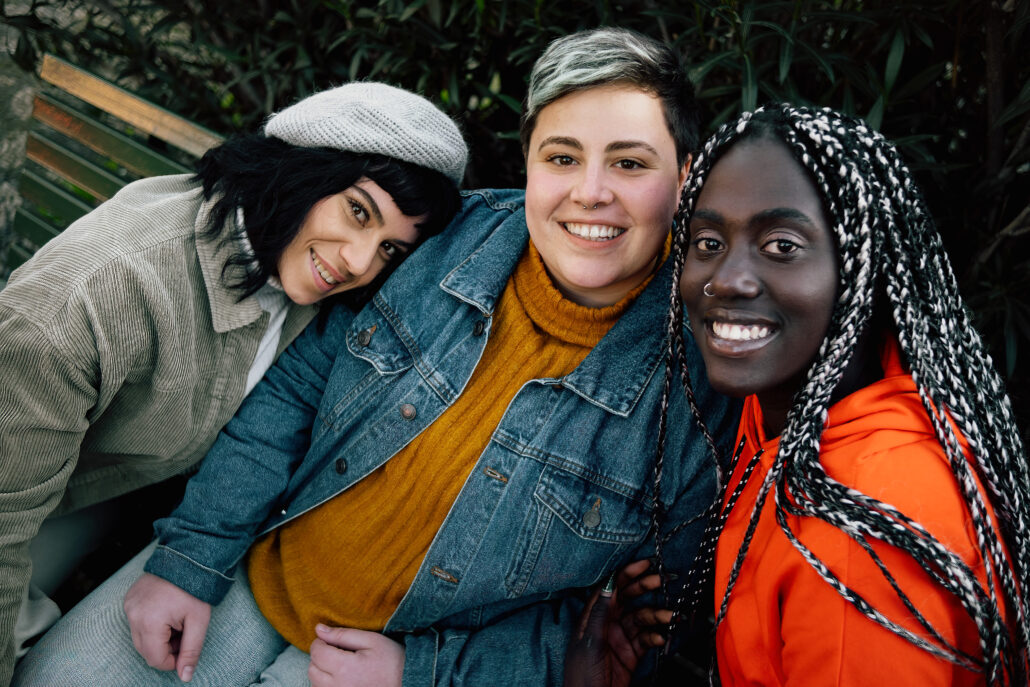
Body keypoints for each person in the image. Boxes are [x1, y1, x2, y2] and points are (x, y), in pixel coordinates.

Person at [12, 27, 738, 687]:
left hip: (388, 668)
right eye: (562, 156)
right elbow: (294, 395)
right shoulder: (445, 245)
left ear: (685, 178)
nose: (590, 192)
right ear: (530, 164)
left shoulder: (695, 393)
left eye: (630, 162)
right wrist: (190, 559)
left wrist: (430, 670)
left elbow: (623, 625)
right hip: (248, 569)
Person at [0, 81, 467, 686]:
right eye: (357, 210)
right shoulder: (89, 300)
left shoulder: (303, 272)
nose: (358, 262)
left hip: (111, 488)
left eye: (389, 249)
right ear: (299, 166)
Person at [566, 103, 1030, 686]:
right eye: (707, 241)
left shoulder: (860, 539)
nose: (726, 278)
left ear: (864, 269)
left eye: (782, 245)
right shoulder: (789, 416)